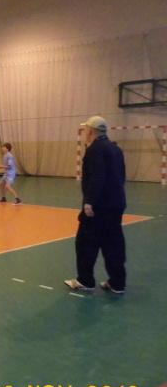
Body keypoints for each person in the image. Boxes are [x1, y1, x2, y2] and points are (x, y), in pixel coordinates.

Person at [65, 116, 127, 294]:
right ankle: (117, 283)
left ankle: (85, 280)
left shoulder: (94, 150)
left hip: (99, 206)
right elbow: (121, 176)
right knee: (113, 243)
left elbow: (96, 176)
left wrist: (89, 202)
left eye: (86, 130)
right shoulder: (116, 149)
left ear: (91, 131)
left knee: (85, 242)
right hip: (116, 204)